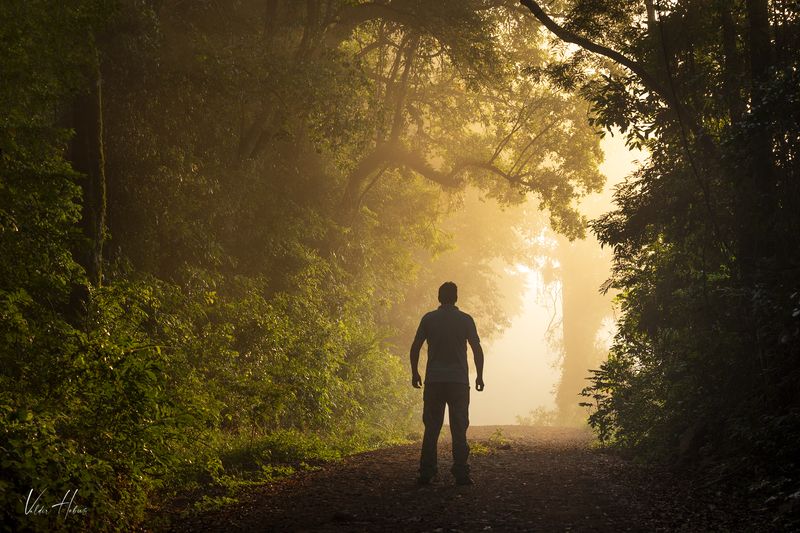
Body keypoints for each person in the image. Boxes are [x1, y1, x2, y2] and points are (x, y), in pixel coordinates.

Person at [409, 281, 484, 486]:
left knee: (431, 427)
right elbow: (477, 349)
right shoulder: (465, 320)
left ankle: (427, 472)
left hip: (434, 380)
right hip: (458, 382)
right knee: (459, 427)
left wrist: (415, 372)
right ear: (456, 298)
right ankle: (461, 473)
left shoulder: (429, 319)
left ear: (439, 298)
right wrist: (479, 375)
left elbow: (415, 346)